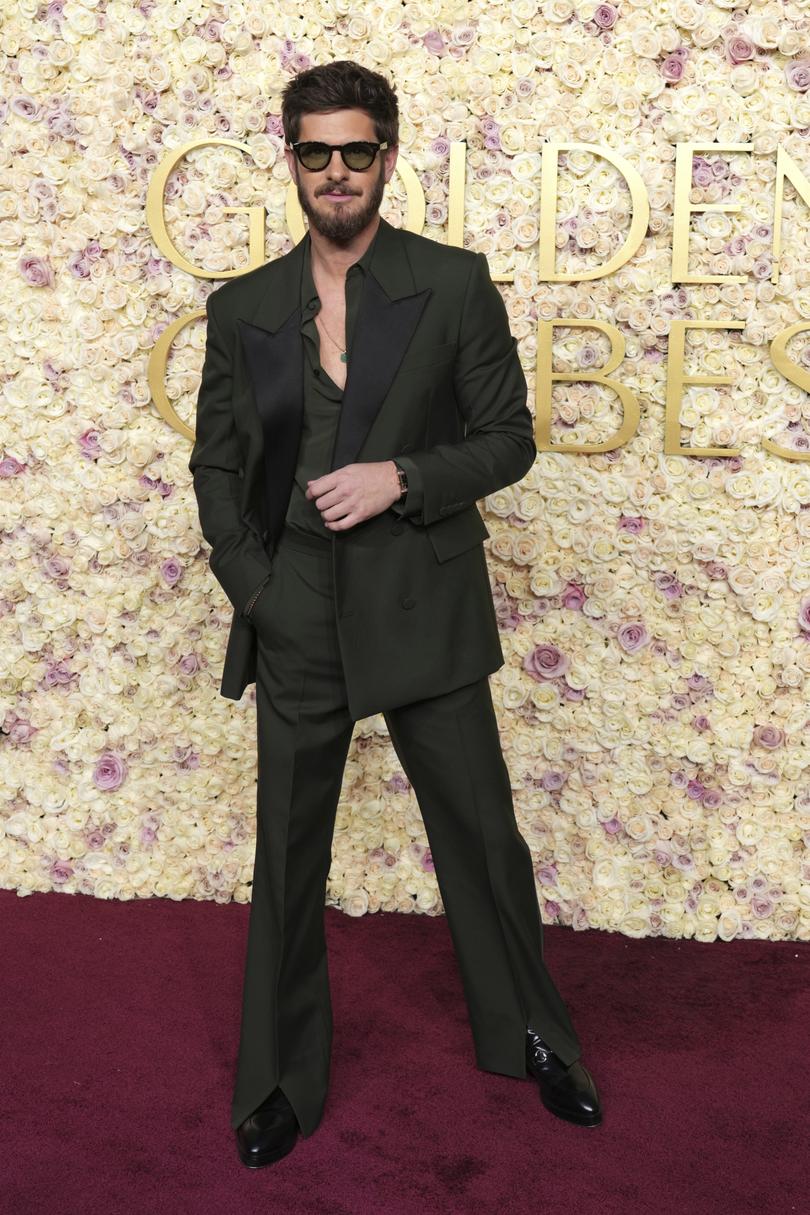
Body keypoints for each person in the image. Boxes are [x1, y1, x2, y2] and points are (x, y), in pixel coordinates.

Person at [189, 59, 602, 1170]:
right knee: (287, 854)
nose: (336, 171)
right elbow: (218, 471)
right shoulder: (244, 308)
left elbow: (508, 437)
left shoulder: (454, 283)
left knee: (480, 837)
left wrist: (402, 477)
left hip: (424, 607)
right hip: (296, 617)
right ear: (291, 159)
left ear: (387, 155)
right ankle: (278, 1079)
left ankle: (532, 1037)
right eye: (315, 152)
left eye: (356, 151)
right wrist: (256, 592)